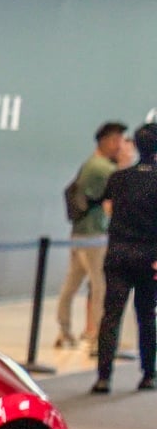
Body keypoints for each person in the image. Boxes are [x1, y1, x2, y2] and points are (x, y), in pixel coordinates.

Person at [93, 122, 157, 393]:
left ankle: (103, 377)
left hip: (118, 254)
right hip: (149, 256)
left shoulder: (119, 178)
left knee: (111, 315)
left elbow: (104, 203)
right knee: (147, 315)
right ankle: (148, 374)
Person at [58, 122, 132, 349]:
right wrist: (126, 163)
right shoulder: (102, 167)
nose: (121, 146)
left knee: (72, 284)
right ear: (106, 141)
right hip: (94, 236)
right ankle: (100, 337)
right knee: (100, 286)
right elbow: (124, 185)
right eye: (118, 141)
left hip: (82, 234)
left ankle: (65, 331)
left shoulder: (92, 164)